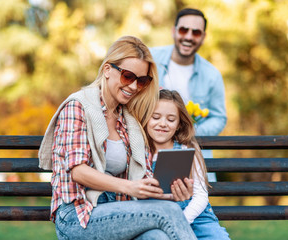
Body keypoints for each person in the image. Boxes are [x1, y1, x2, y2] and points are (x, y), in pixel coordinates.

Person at [38, 36, 197, 240]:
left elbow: (143, 182)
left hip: (119, 212)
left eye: (142, 81)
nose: (133, 86)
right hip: (78, 217)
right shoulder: (78, 107)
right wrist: (129, 187)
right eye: (128, 76)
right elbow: (78, 171)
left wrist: (172, 192)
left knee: (157, 237)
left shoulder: (128, 118)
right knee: (170, 211)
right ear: (107, 70)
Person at [150, 8, 227, 182]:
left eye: (196, 32)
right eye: (184, 30)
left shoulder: (212, 75)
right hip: (150, 151)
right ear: (174, 31)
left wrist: (188, 131)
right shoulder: (151, 59)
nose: (189, 37)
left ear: (203, 37)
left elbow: (219, 118)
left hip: (193, 154)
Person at [145, 89, 230, 240]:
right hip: (159, 217)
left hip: (196, 216)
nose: (162, 124)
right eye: (156, 117)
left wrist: (182, 221)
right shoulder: (139, 151)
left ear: (178, 124)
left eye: (171, 120)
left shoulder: (187, 148)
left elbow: (201, 195)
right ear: (145, 118)